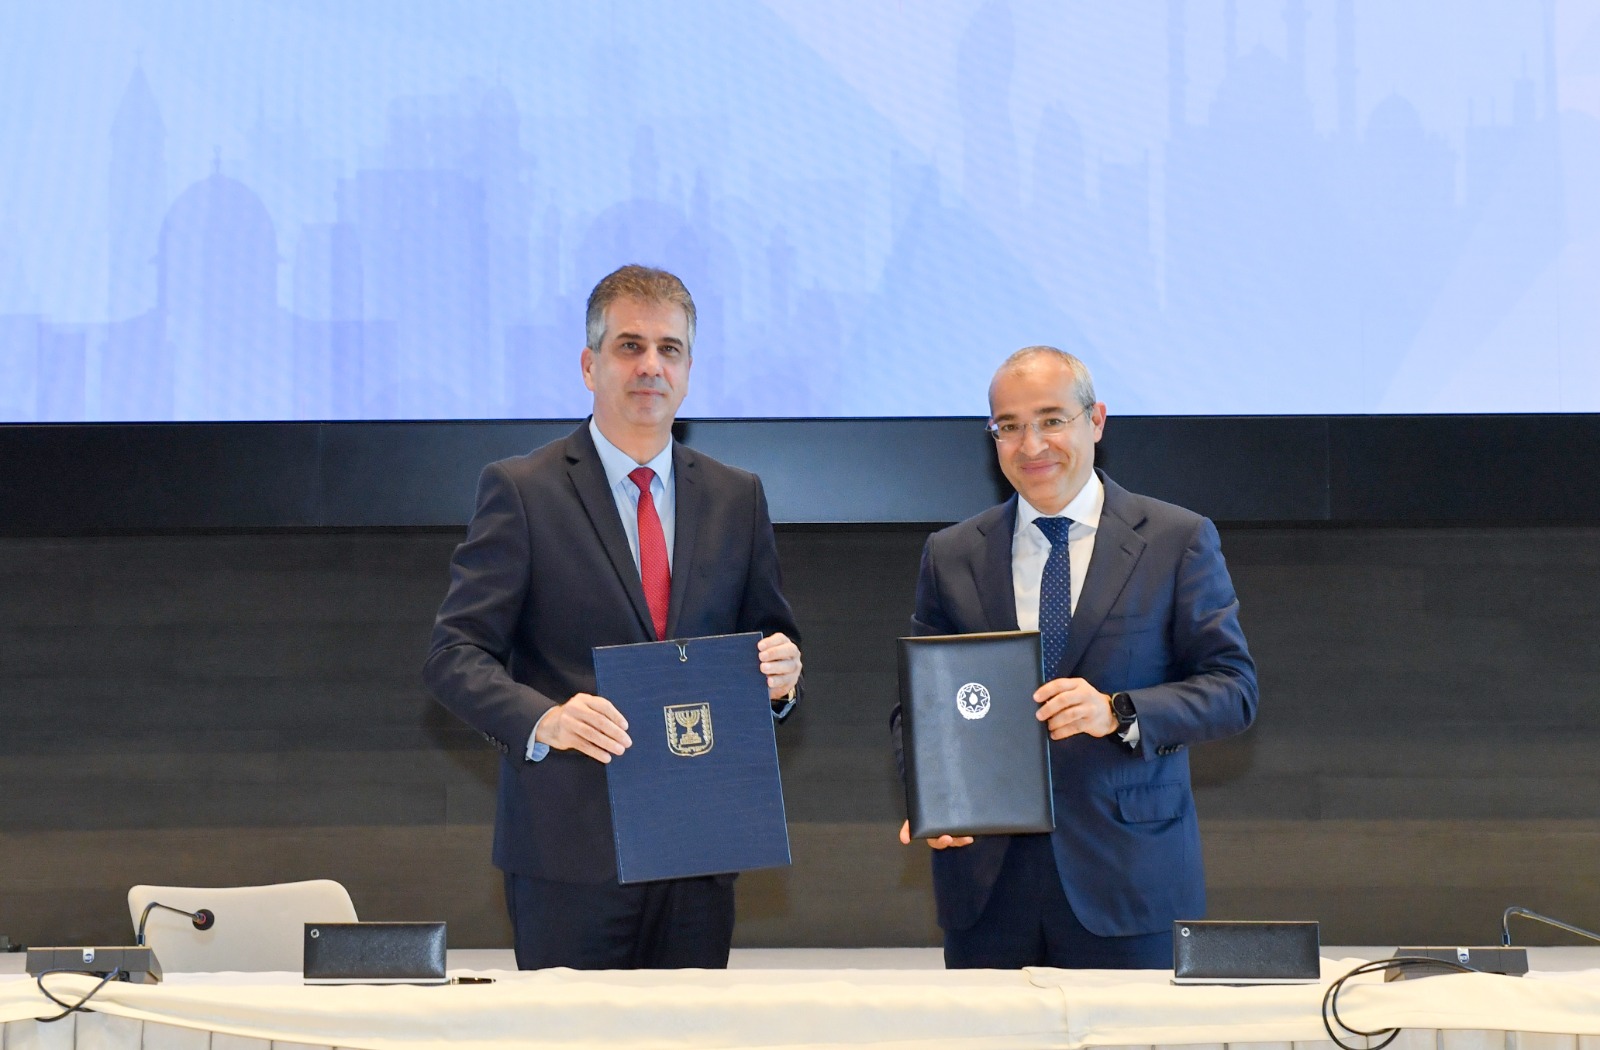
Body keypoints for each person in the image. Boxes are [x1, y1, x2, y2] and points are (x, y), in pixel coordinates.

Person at [423, 264, 803, 970]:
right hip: (569, 854)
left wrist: (782, 679)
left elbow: (769, 640)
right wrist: (545, 719)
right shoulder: (522, 490)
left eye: (670, 349)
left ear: (688, 372)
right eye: (630, 346)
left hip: (698, 849)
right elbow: (454, 655)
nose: (651, 365)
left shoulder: (737, 497)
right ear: (589, 365)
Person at [894, 345, 1257, 970]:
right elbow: (920, 708)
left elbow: (1233, 690)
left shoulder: (1176, 539)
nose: (1031, 444)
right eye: (1009, 426)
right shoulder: (952, 554)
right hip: (986, 888)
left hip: (1130, 880)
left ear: (1096, 421)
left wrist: (1118, 711)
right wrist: (933, 798)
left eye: (1051, 419)